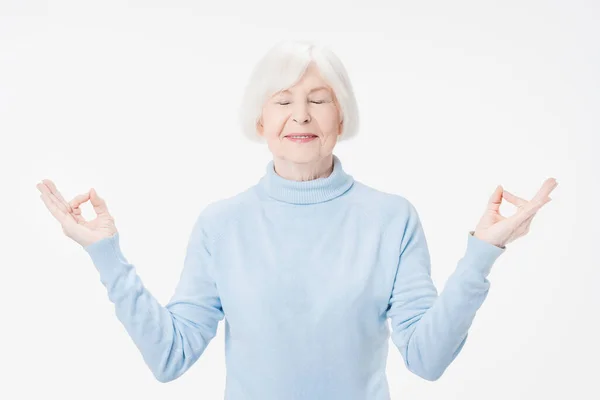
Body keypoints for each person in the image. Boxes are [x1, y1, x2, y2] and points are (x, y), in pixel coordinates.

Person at [36, 39, 558, 399]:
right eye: (283, 100)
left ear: (341, 116)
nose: (301, 115)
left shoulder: (390, 218)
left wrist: (481, 255)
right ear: (261, 121)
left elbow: (427, 358)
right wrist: (105, 254)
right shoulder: (222, 224)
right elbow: (170, 357)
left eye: (318, 99)